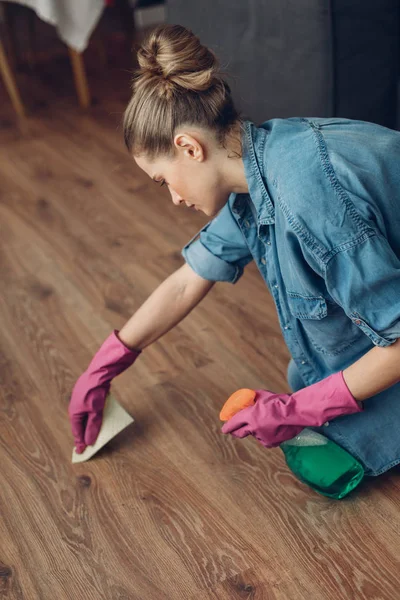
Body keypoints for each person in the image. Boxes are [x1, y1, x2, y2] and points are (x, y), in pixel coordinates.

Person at [69, 24, 400, 478]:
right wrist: (105, 366)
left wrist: (297, 410)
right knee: (306, 399)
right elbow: (189, 280)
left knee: (326, 467)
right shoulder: (256, 164)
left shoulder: (307, 192)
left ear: (188, 147)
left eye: (164, 181)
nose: (174, 199)